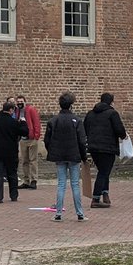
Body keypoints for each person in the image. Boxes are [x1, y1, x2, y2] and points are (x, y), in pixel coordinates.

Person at [44, 91, 87, 222]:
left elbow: (47, 140)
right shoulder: (77, 121)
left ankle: (58, 213)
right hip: (74, 155)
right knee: (75, 184)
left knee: (61, 184)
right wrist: (84, 157)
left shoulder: (53, 121)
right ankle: (80, 213)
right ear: (71, 105)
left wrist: (52, 151)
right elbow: (81, 140)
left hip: (59, 155)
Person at [84, 92, 128, 208]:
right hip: (108, 148)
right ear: (111, 102)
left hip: (93, 148)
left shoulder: (90, 114)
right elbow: (119, 130)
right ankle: (96, 198)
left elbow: (85, 129)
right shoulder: (112, 114)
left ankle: (105, 194)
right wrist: (124, 136)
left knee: (103, 171)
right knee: (103, 172)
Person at [0, 99, 28, 203]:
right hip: (11, 152)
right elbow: (24, 132)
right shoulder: (13, 122)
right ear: (10, 110)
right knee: (12, 174)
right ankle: (13, 195)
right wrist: (23, 122)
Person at [16, 94, 42, 189]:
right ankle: (26, 180)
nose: (19, 103)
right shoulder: (18, 111)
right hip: (23, 139)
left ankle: (33, 180)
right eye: (18, 102)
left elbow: (36, 123)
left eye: (21, 102)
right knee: (24, 161)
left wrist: (36, 136)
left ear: (25, 102)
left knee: (33, 160)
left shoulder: (30, 110)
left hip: (31, 138)